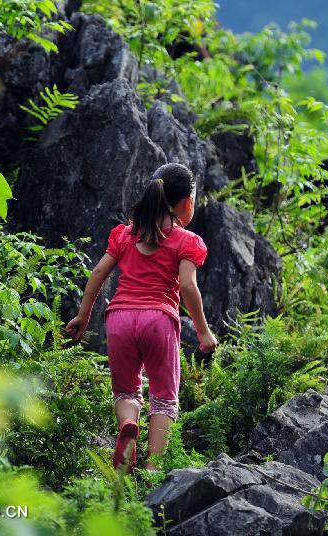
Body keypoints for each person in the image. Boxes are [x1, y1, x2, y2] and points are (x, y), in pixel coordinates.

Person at [65, 163, 218, 472]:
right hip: (158, 321)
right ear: (187, 203)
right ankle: (153, 470)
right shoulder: (186, 241)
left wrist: (83, 316)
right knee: (163, 397)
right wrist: (203, 332)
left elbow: (98, 273)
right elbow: (188, 285)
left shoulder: (125, 234)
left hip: (119, 319)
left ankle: (127, 426)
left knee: (125, 392)